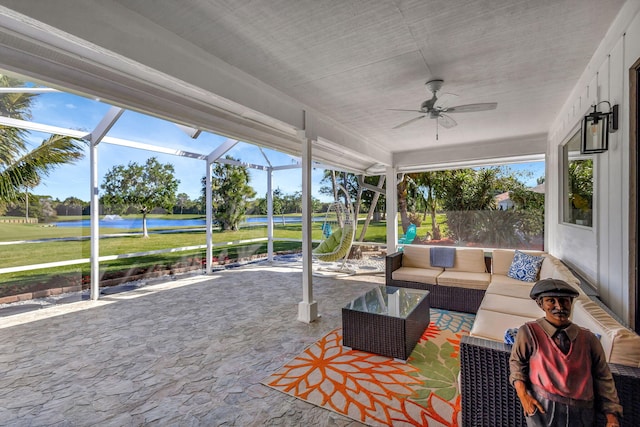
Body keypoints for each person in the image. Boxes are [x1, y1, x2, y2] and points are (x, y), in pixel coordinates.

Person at [509, 278, 622, 427]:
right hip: (544, 408)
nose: (559, 306)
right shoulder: (529, 332)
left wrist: (612, 416)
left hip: (582, 411)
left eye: (564, 301)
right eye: (551, 301)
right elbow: (517, 364)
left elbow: (603, 377)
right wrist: (523, 396)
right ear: (540, 304)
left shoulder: (588, 339)